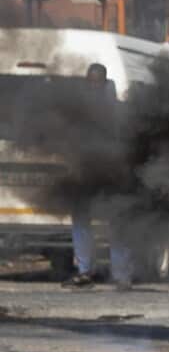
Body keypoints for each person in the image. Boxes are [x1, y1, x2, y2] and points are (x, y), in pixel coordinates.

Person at [62, 63, 133, 290]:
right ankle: (85, 271)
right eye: (89, 81)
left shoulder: (118, 110)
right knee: (81, 220)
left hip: (113, 173)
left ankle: (121, 275)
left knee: (118, 223)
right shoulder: (80, 112)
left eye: (96, 81)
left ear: (104, 82)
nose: (93, 86)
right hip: (86, 173)